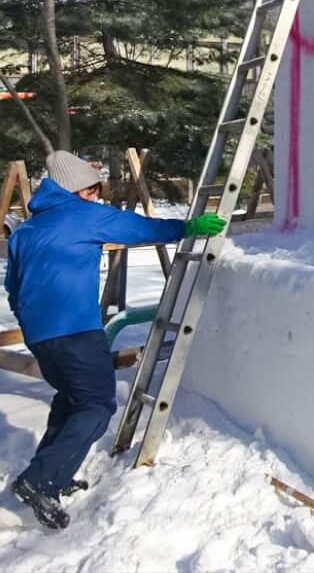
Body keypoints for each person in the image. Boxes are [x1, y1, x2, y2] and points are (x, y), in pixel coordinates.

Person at [4, 150, 226, 530]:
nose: (96, 195)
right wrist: (188, 228)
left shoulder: (27, 230)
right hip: (75, 330)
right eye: (92, 189)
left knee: (71, 399)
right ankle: (38, 481)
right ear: (75, 189)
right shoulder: (83, 216)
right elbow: (139, 228)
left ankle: (52, 476)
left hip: (40, 336)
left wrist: (32, 323)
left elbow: (13, 287)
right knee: (96, 405)